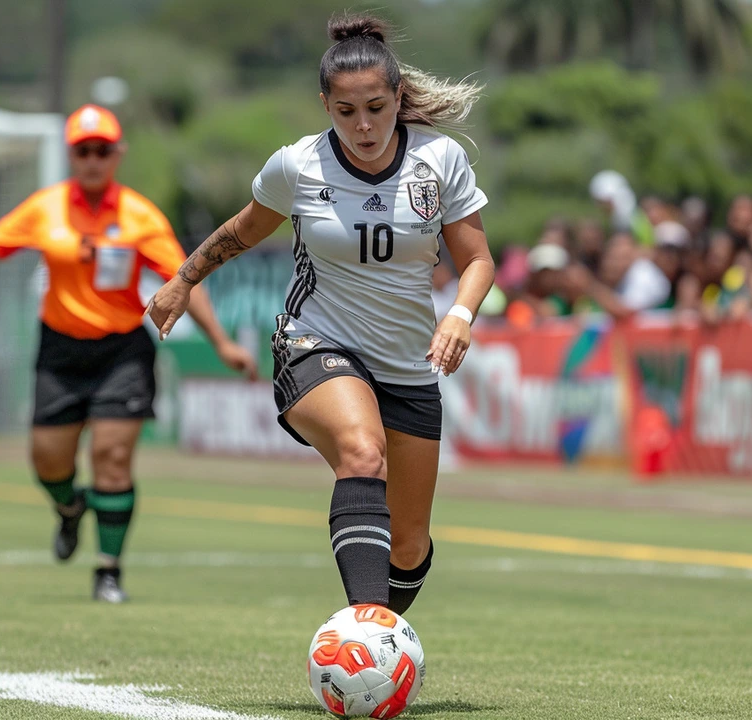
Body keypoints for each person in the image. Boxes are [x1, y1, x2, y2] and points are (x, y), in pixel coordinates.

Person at [145, 14, 493, 616]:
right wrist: (183, 279)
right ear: (325, 105)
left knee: (407, 546)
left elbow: (479, 259)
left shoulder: (441, 160)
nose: (363, 126)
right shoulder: (298, 165)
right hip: (316, 342)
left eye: (378, 108)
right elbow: (240, 230)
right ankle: (363, 629)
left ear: (399, 98)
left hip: (409, 366)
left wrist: (460, 313)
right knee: (362, 452)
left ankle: (378, 640)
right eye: (346, 111)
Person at [0, 105, 257, 603]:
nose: (93, 160)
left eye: (103, 150)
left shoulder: (140, 215)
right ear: (71, 155)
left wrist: (222, 343)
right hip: (59, 350)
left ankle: (109, 570)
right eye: (84, 151)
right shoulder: (47, 207)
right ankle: (68, 508)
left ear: (118, 153)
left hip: (121, 351)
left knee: (112, 457)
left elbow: (184, 280)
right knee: (48, 462)